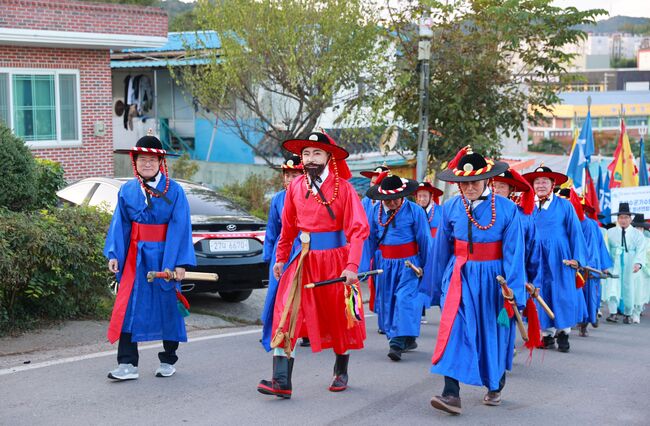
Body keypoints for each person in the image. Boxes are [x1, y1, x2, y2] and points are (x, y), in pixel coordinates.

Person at [257, 131, 369, 399]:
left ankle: (341, 370)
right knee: (286, 312)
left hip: (336, 260)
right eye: (306, 153)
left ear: (329, 157)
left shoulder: (345, 188)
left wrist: (352, 265)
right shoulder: (295, 187)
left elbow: (358, 230)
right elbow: (287, 229)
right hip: (302, 259)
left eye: (317, 153)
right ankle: (281, 380)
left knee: (340, 316)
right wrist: (281, 258)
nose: (310, 158)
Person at [429, 147, 525, 415]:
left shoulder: (507, 209)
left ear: (487, 180)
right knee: (454, 330)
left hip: (494, 280)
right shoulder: (450, 208)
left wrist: (513, 290)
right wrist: (436, 286)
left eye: (475, 182)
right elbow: (441, 250)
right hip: (458, 277)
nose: (469, 187)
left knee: (493, 332)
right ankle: (451, 393)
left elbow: (514, 252)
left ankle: (495, 384)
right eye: (464, 183)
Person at [104, 134, 196, 381]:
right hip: (135, 256)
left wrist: (179, 263)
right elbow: (120, 225)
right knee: (128, 305)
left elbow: (181, 227)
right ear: (135, 162)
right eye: (142, 159)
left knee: (168, 305)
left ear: (160, 162)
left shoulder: (174, 191)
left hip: (166, 255)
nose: (147, 164)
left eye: (152, 160)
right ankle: (127, 363)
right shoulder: (127, 190)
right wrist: (114, 254)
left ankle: (168, 359)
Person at [522, 165, 587, 353]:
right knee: (540, 292)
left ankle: (563, 332)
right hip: (535, 257)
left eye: (545, 181)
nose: (540, 185)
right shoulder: (527, 206)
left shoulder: (564, 205)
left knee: (562, 293)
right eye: (537, 182)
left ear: (553, 184)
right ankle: (546, 334)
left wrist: (577, 259)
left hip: (560, 257)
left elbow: (575, 232)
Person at [366, 174, 431, 361]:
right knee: (388, 302)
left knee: (404, 299)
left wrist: (426, 267)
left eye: (396, 198)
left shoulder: (415, 211)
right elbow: (369, 240)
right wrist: (360, 267)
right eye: (388, 199)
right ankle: (407, 338)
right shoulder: (375, 211)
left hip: (409, 265)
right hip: (385, 265)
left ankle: (396, 342)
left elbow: (425, 239)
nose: (392, 202)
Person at [260, 155, 304, 352]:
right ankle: (274, 330)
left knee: (301, 291)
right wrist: (269, 255)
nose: (290, 179)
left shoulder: (310, 196)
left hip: (302, 248)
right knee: (277, 291)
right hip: (283, 249)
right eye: (287, 175)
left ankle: (304, 330)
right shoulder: (278, 199)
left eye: (295, 175)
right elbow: (272, 229)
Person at [603, 203, 647, 324]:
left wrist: (638, 263)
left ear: (630, 219)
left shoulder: (637, 234)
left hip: (630, 262)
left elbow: (641, 249)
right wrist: (605, 264)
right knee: (613, 286)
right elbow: (605, 248)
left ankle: (628, 313)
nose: (623, 220)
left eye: (626, 217)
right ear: (617, 219)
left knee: (629, 288)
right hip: (614, 262)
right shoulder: (610, 232)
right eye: (621, 217)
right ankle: (613, 313)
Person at [359, 164, 390, 323]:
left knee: (383, 285)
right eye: (372, 182)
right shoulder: (364, 202)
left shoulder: (391, 201)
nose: (374, 185)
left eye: (378, 182)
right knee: (374, 284)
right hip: (366, 245)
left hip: (383, 250)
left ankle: (384, 317)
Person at [415, 182, 444, 320]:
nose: (422, 199)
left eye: (425, 196)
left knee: (439, 281)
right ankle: (420, 312)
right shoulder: (414, 211)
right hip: (419, 251)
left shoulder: (441, 211)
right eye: (419, 196)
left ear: (431, 196)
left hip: (436, 251)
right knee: (418, 280)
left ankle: (444, 310)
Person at [631, 213, 650, 322]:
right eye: (636, 227)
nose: (639, 230)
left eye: (641, 228)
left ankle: (638, 311)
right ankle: (631, 311)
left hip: (645, 271)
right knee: (632, 290)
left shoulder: (648, 241)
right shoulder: (629, 239)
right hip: (632, 268)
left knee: (642, 291)